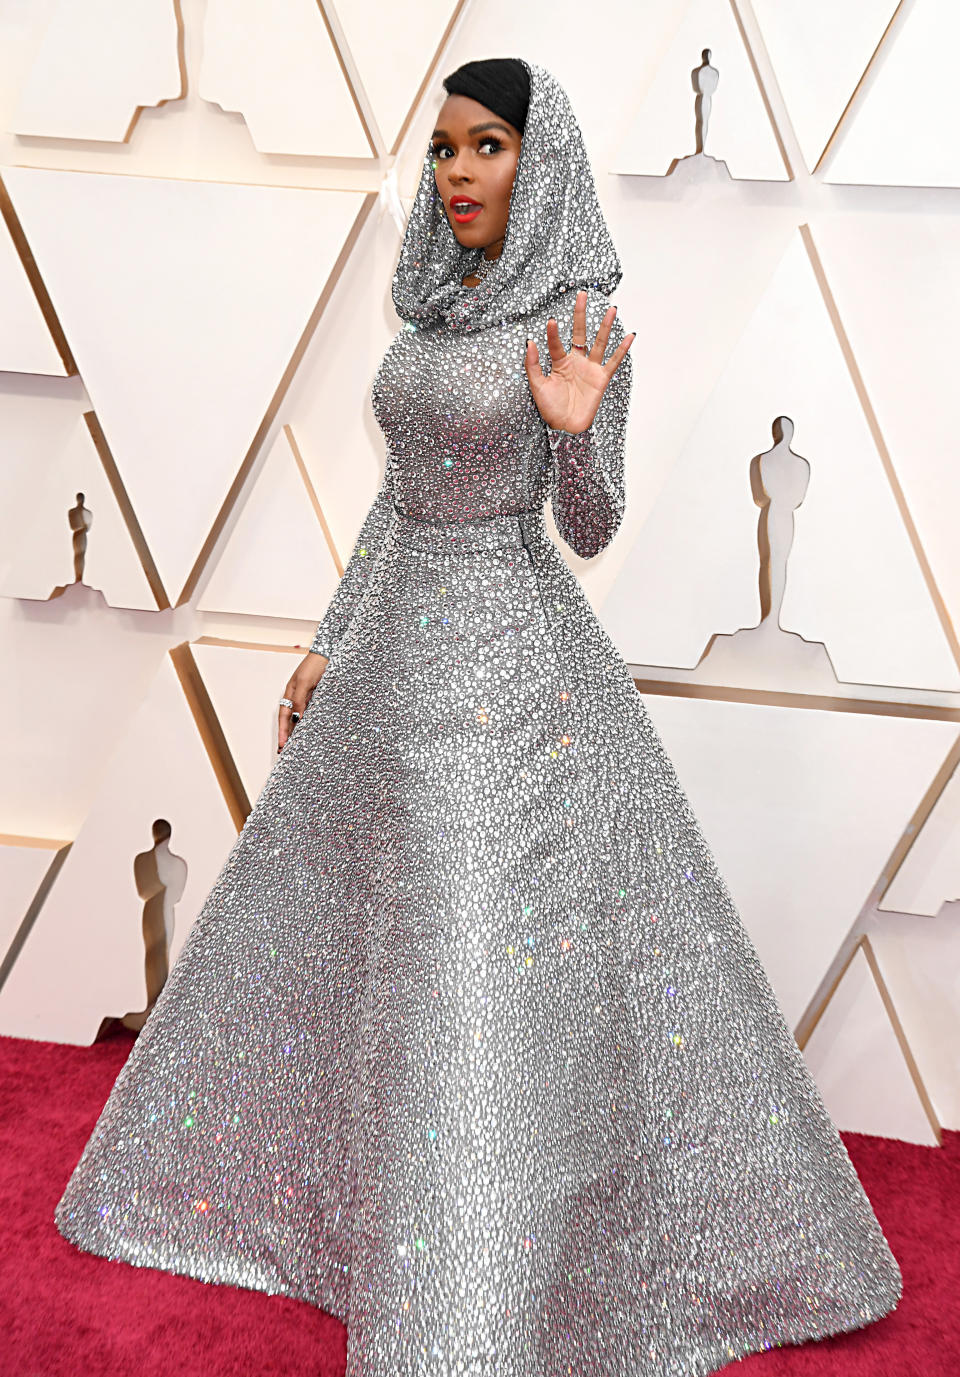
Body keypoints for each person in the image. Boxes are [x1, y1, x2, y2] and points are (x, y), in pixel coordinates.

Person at [54, 56, 902, 1376]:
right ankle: (387, 1231)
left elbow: (590, 521)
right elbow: (400, 498)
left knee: (468, 951)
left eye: (487, 146)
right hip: (395, 659)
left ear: (538, 162)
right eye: (445, 148)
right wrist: (334, 639)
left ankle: (478, 1277)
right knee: (381, 940)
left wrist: (571, 429)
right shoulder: (437, 312)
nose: (455, 171)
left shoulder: (577, 326)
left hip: (511, 664)